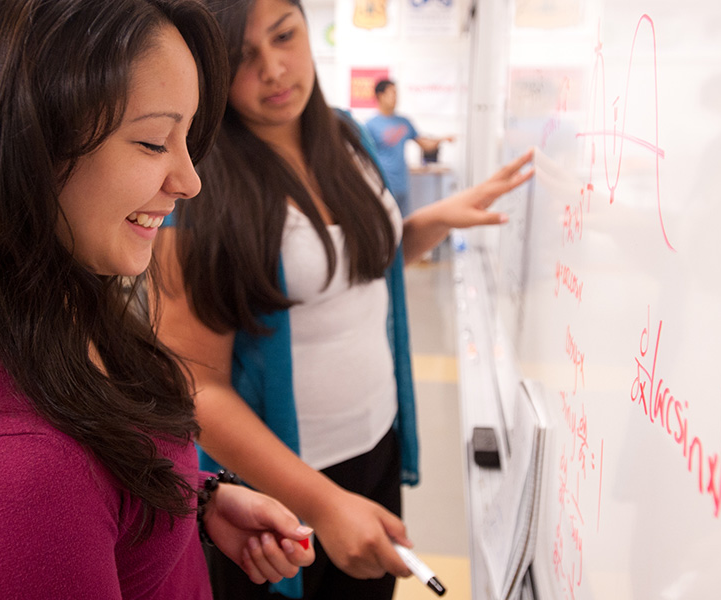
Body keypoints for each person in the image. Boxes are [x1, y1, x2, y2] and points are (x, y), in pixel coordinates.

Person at [0, 0, 313, 598]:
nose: (189, 181)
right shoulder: (17, 473)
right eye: (150, 142)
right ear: (19, 146)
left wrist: (194, 497)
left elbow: (102, 464)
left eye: (185, 138)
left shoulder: (58, 302)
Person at [150, 0, 533, 597]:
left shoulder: (343, 136)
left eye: (284, 36)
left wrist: (431, 222)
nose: (274, 70)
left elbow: (352, 273)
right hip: (278, 481)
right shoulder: (204, 187)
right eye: (243, 56)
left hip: (376, 445)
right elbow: (195, 385)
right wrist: (323, 504)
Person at [365, 79, 455, 216]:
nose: (396, 97)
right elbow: (365, 158)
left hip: (402, 185)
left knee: (404, 226)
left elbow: (425, 144)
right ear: (380, 96)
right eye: (392, 93)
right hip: (383, 186)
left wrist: (442, 139)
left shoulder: (404, 122)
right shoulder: (370, 125)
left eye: (397, 93)